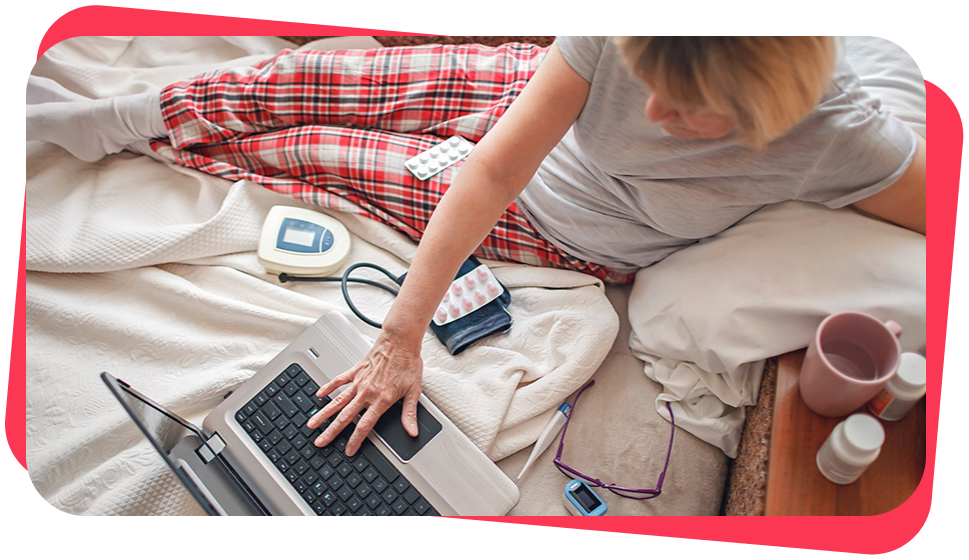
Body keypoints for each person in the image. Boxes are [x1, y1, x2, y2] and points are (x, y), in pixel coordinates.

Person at [26, 36, 926, 458]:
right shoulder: (624, 36)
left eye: (686, 113)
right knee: (320, 77)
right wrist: (399, 335)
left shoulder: (842, 141)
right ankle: (118, 116)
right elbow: (494, 166)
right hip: (520, 106)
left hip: (551, 229)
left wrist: (402, 336)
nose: (653, 114)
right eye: (648, 81)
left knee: (309, 155)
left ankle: (146, 138)